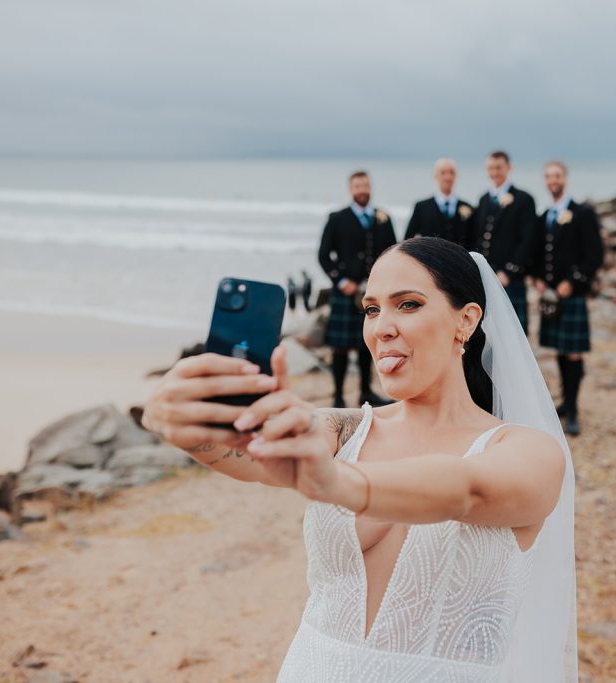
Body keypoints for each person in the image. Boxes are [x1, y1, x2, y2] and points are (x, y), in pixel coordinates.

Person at [141, 236, 578, 682]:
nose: (381, 327)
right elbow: (236, 452)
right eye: (372, 310)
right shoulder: (341, 430)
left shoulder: (529, 451)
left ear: (465, 320)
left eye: (407, 304)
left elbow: (466, 489)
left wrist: (339, 482)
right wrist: (175, 421)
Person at [532, 161, 604, 436]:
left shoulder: (583, 213)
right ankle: (564, 401)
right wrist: (537, 278)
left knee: (573, 352)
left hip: (570, 295)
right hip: (551, 296)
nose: (553, 180)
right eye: (549, 176)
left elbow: (594, 256)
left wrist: (572, 283)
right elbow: (539, 255)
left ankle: (573, 409)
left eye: (557, 175)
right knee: (561, 350)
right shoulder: (545, 216)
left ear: (566, 178)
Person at [317, 170, 396, 408]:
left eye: (365, 185)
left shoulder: (383, 218)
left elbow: (393, 252)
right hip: (345, 292)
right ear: (351, 189)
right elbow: (323, 256)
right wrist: (341, 281)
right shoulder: (337, 218)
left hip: (374, 291)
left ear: (370, 187)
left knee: (367, 344)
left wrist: (384, 281)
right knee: (340, 348)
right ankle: (338, 396)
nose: (362, 190)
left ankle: (365, 392)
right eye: (357, 186)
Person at [469, 151, 537, 333]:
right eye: (491, 168)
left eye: (498, 167)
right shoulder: (483, 199)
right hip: (486, 277)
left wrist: (509, 271)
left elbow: (528, 240)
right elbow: (478, 237)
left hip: (509, 278)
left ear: (509, 168)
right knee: (488, 334)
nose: (494, 172)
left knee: (513, 335)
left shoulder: (524, 199)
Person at [404, 158, 474, 246]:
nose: (447, 177)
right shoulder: (421, 207)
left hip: (460, 259)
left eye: (451, 172)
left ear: (456, 176)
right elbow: (407, 240)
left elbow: (474, 240)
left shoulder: (469, 208)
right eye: (443, 172)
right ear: (435, 176)